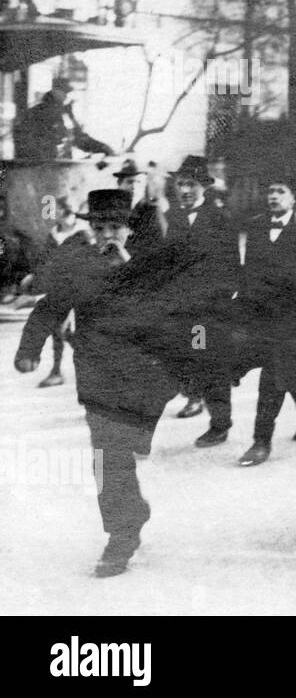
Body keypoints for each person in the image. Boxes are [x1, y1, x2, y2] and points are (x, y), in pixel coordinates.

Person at [14, 190, 182, 577]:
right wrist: (30, 349)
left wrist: (129, 267)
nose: (107, 234)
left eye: (115, 227)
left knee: (127, 447)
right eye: (100, 227)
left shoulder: (150, 263)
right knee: (108, 456)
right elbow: (50, 308)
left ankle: (132, 512)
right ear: (90, 229)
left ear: (129, 229)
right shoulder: (77, 266)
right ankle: (121, 534)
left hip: (145, 372)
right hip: (98, 374)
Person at [228, 177, 296, 467]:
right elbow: (249, 271)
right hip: (263, 313)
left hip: (295, 313)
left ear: (293, 198)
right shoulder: (256, 225)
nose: (273, 196)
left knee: (273, 370)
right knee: (289, 371)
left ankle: (261, 440)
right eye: (269, 191)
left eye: (281, 192)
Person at [163, 156, 239, 432]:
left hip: (210, 308)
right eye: (181, 184)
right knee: (188, 357)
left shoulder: (220, 220)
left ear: (203, 187)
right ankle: (195, 398)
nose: (184, 190)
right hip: (180, 307)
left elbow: (231, 268)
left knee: (213, 364)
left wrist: (216, 301)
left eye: (191, 184)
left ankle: (220, 423)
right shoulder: (173, 218)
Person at [24, 196, 93, 388]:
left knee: (66, 331)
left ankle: (94, 367)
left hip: (79, 290)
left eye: (69, 210)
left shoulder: (83, 235)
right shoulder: (53, 235)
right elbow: (45, 262)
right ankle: (58, 371)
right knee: (60, 330)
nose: (65, 214)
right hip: (58, 289)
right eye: (62, 210)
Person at [13, 77, 115, 159]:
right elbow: (78, 138)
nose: (67, 98)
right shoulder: (40, 114)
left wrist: (103, 148)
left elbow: (78, 138)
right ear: (55, 91)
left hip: (50, 165)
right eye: (65, 93)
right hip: (39, 167)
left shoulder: (59, 113)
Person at [114, 159, 166, 256]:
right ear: (119, 184)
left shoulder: (152, 212)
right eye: (129, 182)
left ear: (144, 186)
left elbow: (157, 250)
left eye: (138, 182)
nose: (134, 187)